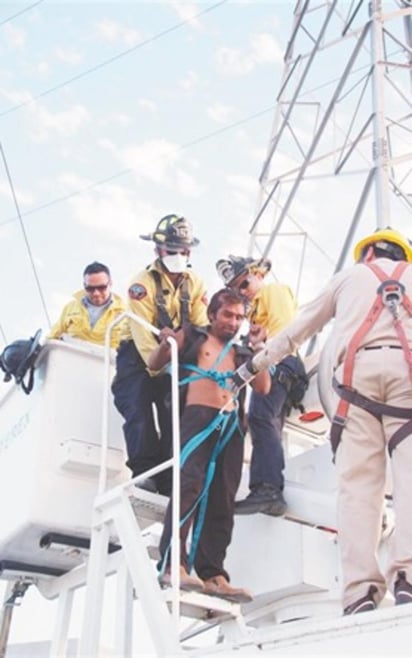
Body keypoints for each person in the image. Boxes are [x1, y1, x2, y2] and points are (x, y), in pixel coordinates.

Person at [231, 227, 412, 614]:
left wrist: (252, 368)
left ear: (366, 255)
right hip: (408, 383)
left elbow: (297, 331)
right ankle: (408, 578)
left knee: (359, 489)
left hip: (354, 385)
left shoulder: (348, 278)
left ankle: (361, 590)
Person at [148, 288, 270, 600]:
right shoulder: (192, 335)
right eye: (227, 314)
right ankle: (174, 564)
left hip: (230, 427)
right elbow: (154, 362)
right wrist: (167, 343)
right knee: (189, 486)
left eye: (239, 317)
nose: (233, 321)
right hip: (197, 419)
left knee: (223, 498)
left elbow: (263, 386)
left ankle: (213, 572)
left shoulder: (242, 353)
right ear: (213, 314)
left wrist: (259, 347)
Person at [111, 214, 208, 496]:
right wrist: (161, 362)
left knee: (174, 414)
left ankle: (168, 480)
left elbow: (199, 328)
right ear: (158, 251)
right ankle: (143, 472)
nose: (177, 256)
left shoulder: (196, 284)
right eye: (171, 251)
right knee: (138, 408)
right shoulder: (141, 284)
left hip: (176, 354)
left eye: (182, 251)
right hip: (139, 357)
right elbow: (143, 340)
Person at [216, 255, 299, 516]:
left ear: (258, 274)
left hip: (279, 362)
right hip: (270, 362)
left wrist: (259, 352)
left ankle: (268, 490)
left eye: (244, 285)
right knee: (264, 421)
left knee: (262, 419)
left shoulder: (273, 292)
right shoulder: (253, 309)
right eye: (236, 289)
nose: (242, 292)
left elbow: (283, 333)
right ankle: (267, 488)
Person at [48, 261, 125, 348]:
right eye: (90, 288)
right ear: (84, 285)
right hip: (71, 358)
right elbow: (52, 338)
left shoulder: (126, 312)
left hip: (107, 360)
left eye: (101, 287)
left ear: (110, 284)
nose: (96, 293)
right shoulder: (70, 308)